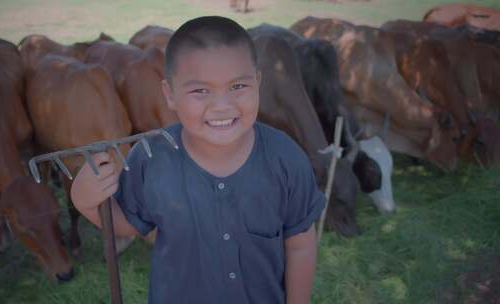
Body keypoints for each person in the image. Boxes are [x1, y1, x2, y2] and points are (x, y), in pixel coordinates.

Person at [71, 15, 325, 304]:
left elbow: (301, 245)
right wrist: (84, 200)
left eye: (238, 86)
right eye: (200, 90)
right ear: (170, 94)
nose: (221, 106)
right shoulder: (152, 157)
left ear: (257, 82)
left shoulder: (286, 158)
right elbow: (126, 225)